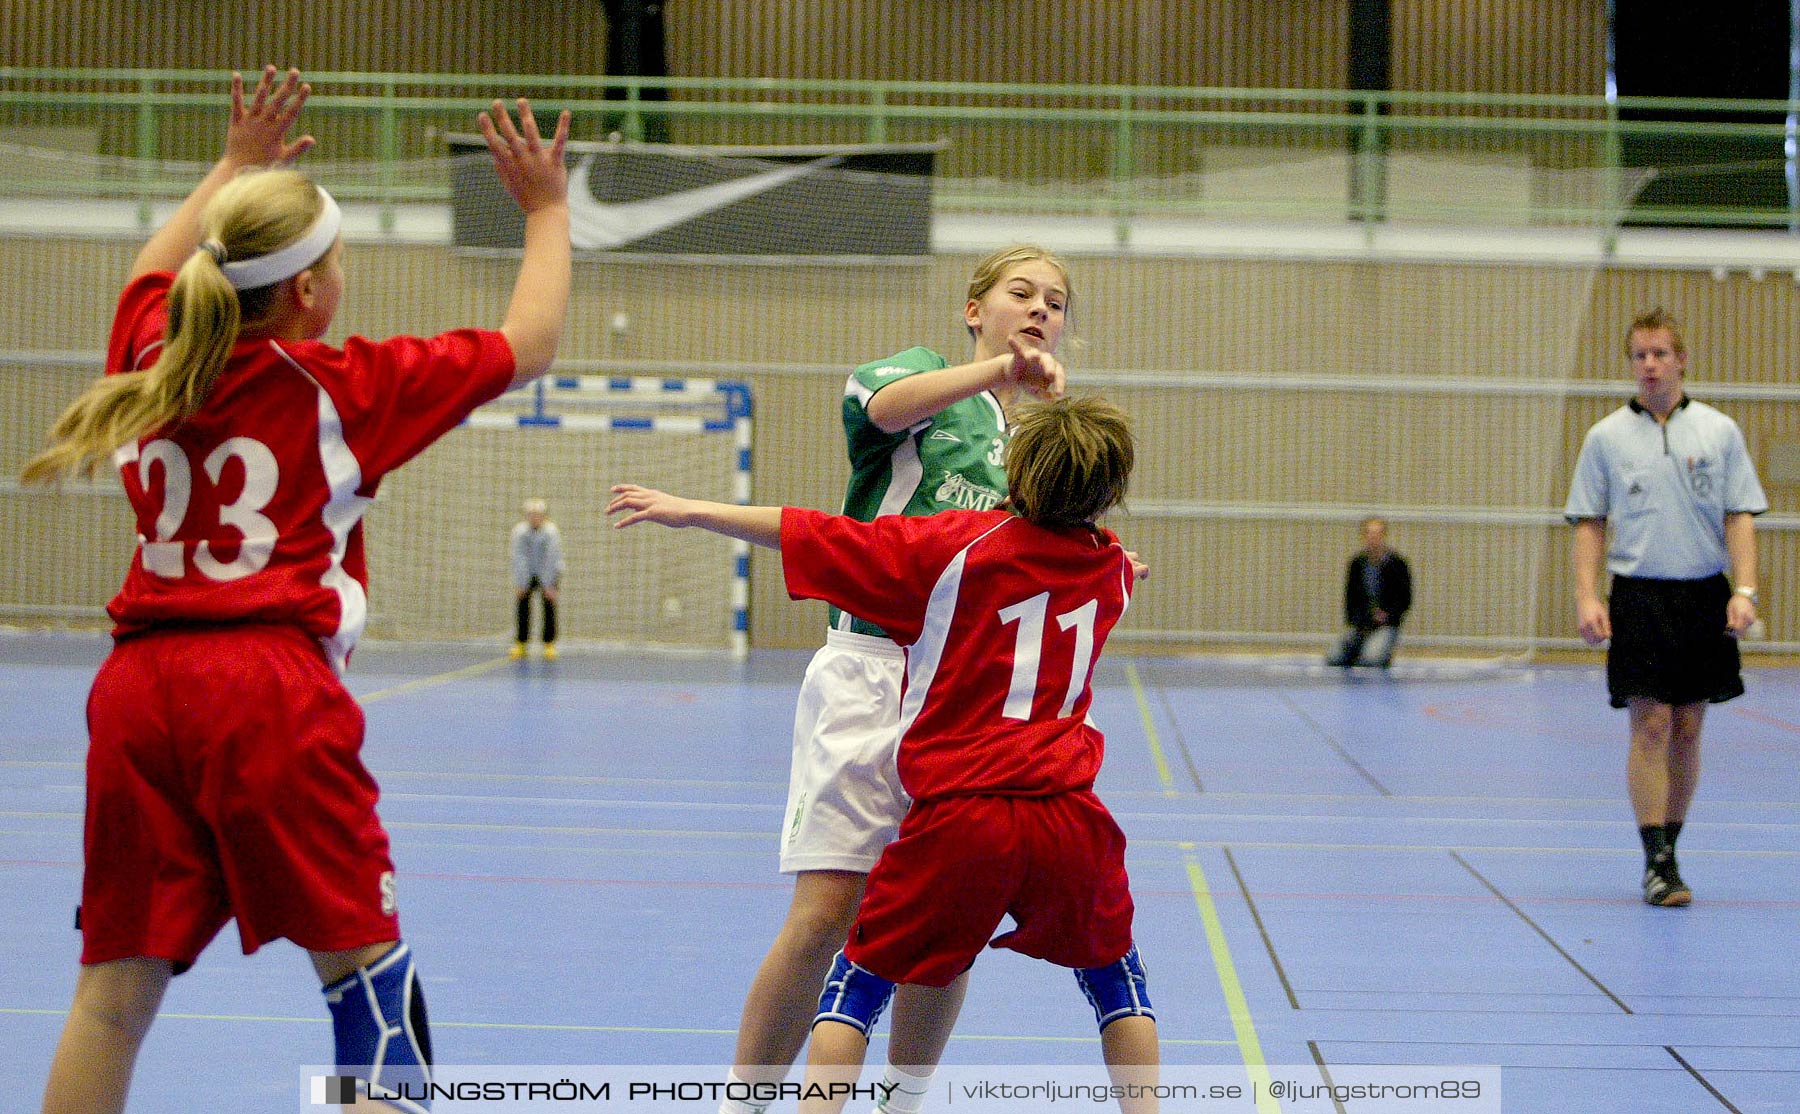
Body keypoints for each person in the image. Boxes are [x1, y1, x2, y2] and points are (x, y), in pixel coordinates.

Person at [22, 66, 572, 1114]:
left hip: (137, 692)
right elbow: (530, 344)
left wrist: (234, 166)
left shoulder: (149, 356)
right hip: (265, 689)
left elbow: (151, 266)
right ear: (312, 290)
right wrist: (547, 210)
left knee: (110, 997)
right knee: (369, 984)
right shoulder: (342, 386)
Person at [607, 395, 1161, 1114]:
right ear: (1110, 492)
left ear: (1015, 472)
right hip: (1069, 818)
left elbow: (813, 531)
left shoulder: (953, 548)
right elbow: (1096, 559)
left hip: (963, 814)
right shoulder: (1110, 569)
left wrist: (692, 510)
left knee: (857, 987)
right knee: (1119, 986)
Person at [684, 244, 1079, 1114]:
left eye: (1056, 301)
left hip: (966, 699)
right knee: (828, 913)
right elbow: (882, 407)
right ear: (975, 309)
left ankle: (901, 1100)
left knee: (952, 926)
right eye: (1022, 293)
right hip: (869, 678)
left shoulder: (1031, 448)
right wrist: (990, 373)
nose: (1041, 308)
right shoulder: (921, 379)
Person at [1565, 307, 1766, 909]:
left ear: (1681, 360)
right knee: (1650, 723)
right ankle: (1657, 859)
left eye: (1659, 354)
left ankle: (1672, 844)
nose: (1649, 366)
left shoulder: (1718, 432)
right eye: (1639, 356)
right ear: (1631, 364)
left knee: (1687, 727)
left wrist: (1745, 591)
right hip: (1640, 595)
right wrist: (1586, 595)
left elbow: (1739, 516)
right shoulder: (1605, 438)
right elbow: (1589, 523)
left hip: (1702, 592)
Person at [1326, 516, 1412, 670]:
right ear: (1363, 536)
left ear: (1384, 536)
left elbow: (1405, 599)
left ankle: (1378, 651)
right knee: (1333, 658)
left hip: (1386, 625)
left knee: (1371, 660)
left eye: (1377, 534)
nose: (1373, 538)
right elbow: (1350, 598)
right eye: (1370, 534)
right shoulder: (1356, 564)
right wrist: (1358, 621)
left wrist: (1387, 616)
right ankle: (1358, 649)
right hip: (1360, 625)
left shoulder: (1398, 564)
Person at [510, 496, 564, 661]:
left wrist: (549, 584)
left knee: (548, 606)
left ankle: (549, 644)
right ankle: (521, 643)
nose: (535, 518)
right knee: (523, 606)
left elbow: (551, 558)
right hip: (527, 572)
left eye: (538, 514)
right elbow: (518, 557)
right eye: (531, 514)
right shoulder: (519, 532)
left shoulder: (551, 532)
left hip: (548, 573)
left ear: (544, 516)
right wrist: (521, 582)